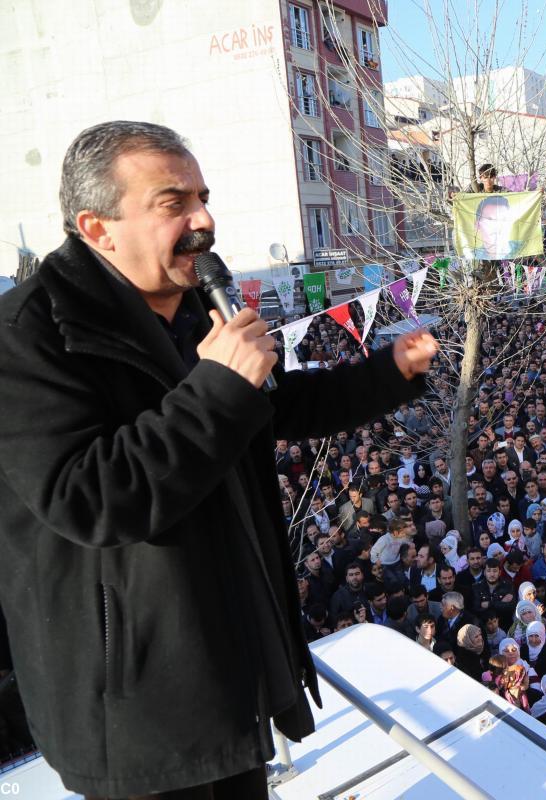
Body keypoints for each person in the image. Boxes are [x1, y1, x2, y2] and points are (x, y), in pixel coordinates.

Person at [0, 121, 437, 797]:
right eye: (173, 204)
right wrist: (217, 387)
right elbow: (90, 497)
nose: (204, 220)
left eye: (203, 197)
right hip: (137, 707)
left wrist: (391, 372)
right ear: (97, 227)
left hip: (229, 669)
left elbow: (277, 404)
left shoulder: (190, 307)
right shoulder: (27, 338)